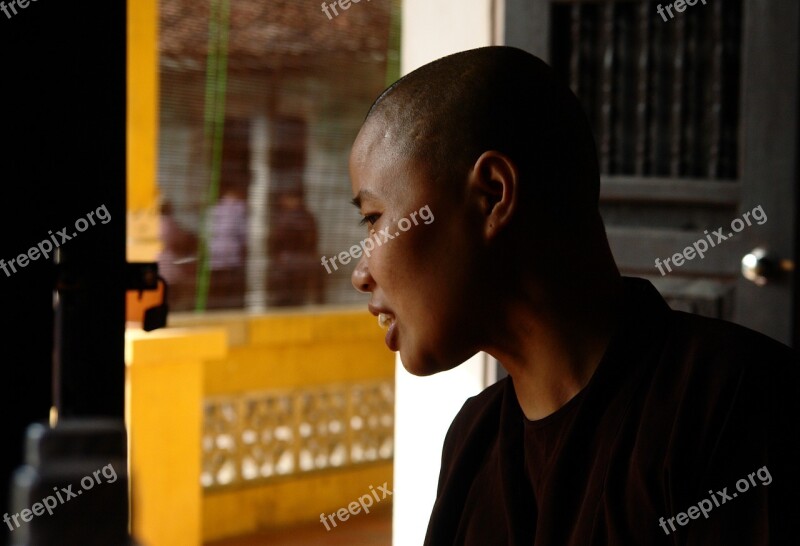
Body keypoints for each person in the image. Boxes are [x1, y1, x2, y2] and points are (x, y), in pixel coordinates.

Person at [348, 46, 799, 545]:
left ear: (493, 195)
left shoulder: (736, 405)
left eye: (374, 219)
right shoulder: (472, 442)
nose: (360, 274)